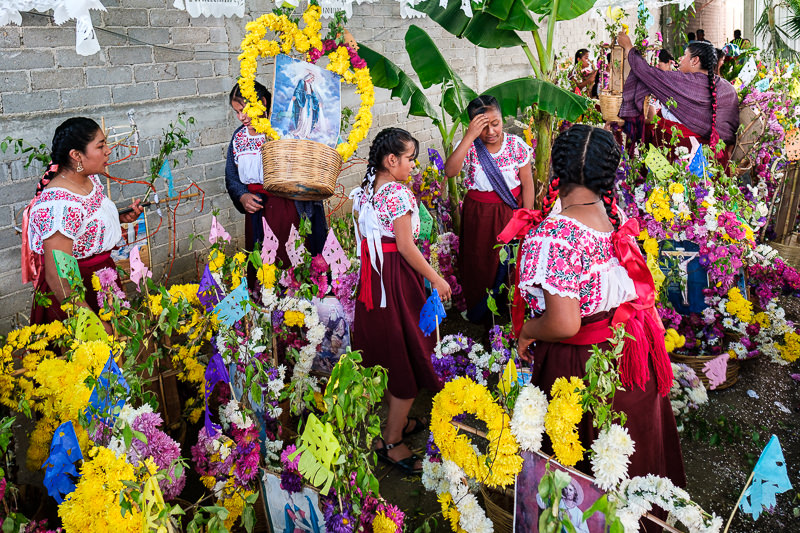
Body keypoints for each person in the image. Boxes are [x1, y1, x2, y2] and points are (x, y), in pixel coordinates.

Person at [513, 124, 685, 532]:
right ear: (608, 176)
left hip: (585, 364)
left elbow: (564, 321)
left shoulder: (554, 237)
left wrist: (527, 332)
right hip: (628, 354)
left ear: (557, 169)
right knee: (629, 454)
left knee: (586, 466)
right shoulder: (613, 217)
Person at [351, 128, 452, 474]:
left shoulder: (365, 191)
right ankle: (392, 441)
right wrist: (437, 279)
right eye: (410, 158)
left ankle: (399, 422)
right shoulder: (398, 193)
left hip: (372, 282)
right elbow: (407, 247)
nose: (413, 165)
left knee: (389, 352)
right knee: (410, 354)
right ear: (391, 160)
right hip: (395, 281)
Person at [24, 117, 143, 330]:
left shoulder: (89, 180)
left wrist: (118, 218)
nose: (108, 150)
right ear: (76, 155)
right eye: (100, 146)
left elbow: (85, 227)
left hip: (102, 281)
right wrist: (91, 324)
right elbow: (57, 276)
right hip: (77, 295)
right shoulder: (59, 205)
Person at [444, 95, 534, 323]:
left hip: (509, 214)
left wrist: (527, 217)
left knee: (506, 263)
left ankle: (505, 311)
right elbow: (451, 171)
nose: (491, 131)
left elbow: (527, 184)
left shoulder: (516, 146)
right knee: (478, 261)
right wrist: (469, 137)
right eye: (483, 127)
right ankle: (479, 311)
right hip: (478, 216)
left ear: (503, 119)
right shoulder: (470, 147)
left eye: (496, 123)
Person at [225, 81, 327, 273]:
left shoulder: (285, 130)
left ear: (262, 102)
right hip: (257, 211)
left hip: (290, 208)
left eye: (244, 109)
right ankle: (266, 299)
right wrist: (242, 196)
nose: (241, 117)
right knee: (264, 265)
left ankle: (300, 300)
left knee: (294, 259)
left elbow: (305, 165)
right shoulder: (239, 138)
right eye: (237, 112)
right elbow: (231, 176)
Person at [617, 32, 739, 163]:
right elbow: (729, 132)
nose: (680, 58)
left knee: (665, 183)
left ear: (695, 60)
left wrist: (628, 47)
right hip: (713, 161)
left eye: (685, 55)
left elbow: (646, 72)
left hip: (677, 153)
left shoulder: (680, 81)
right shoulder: (728, 89)